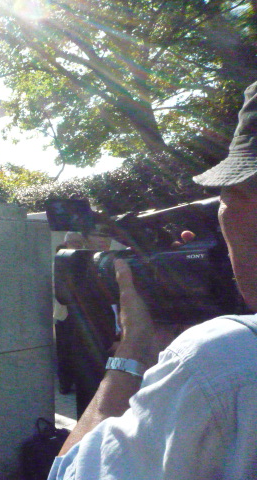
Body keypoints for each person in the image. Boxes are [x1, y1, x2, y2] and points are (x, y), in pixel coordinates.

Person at [48, 80, 257, 479]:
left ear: (242, 202)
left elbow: (68, 473)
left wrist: (132, 353)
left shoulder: (218, 363)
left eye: (227, 196)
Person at [53, 232, 85, 395]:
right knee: (64, 351)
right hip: (65, 312)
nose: (78, 245)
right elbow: (57, 287)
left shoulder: (85, 259)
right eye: (74, 242)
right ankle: (65, 384)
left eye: (80, 242)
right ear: (66, 243)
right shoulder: (59, 261)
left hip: (83, 313)